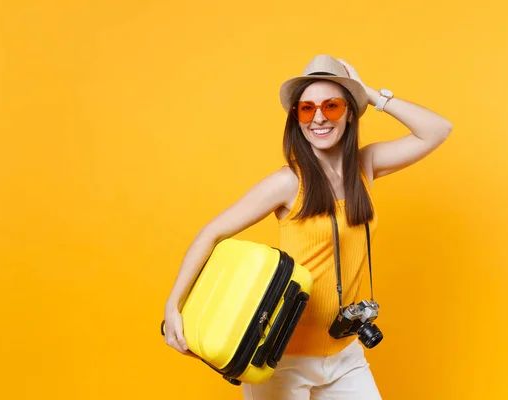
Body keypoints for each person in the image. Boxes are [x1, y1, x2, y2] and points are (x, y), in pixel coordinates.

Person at [163, 54, 453, 399]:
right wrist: (173, 305)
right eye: (306, 109)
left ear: (349, 112)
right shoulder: (288, 182)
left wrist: (371, 95)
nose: (318, 117)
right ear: (296, 118)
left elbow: (437, 130)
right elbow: (211, 232)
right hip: (281, 356)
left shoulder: (366, 166)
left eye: (331, 106)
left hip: (345, 354)